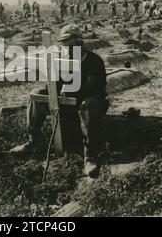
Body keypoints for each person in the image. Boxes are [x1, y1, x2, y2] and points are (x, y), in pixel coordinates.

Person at [9, 24, 109, 178]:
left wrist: (73, 89)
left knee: (89, 104)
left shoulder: (94, 61)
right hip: (65, 104)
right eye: (64, 46)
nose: (66, 49)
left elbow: (95, 88)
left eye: (70, 45)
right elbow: (51, 85)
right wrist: (52, 84)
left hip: (88, 105)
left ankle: (90, 154)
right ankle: (33, 140)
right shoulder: (60, 61)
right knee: (36, 94)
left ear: (80, 43)